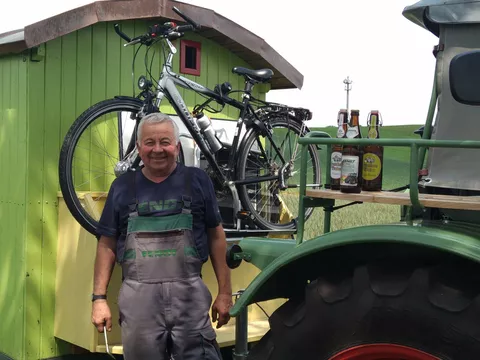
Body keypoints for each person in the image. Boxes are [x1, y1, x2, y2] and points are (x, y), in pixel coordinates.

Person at [90, 112, 233, 359]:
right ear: (138, 148)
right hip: (139, 301)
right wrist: (99, 299)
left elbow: (216, 237)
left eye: (165, 142)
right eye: (150, 142)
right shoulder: (122, 186)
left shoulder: (197, 181)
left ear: (176, 146)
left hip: (189, 297)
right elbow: (107, 245)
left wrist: (225, 293)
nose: (158, 149)